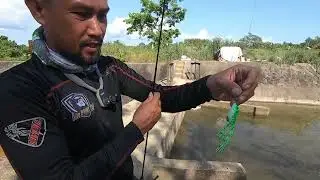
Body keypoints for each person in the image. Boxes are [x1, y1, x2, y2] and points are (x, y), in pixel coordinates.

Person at [0, 0, 261, 179]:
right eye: (81, 14)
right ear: (38, 8)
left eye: (102, 15)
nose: (97, 29)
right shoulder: (16, 89)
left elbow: (162, 95)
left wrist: (211, 85)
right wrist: (135, 130)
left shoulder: (109, 68)